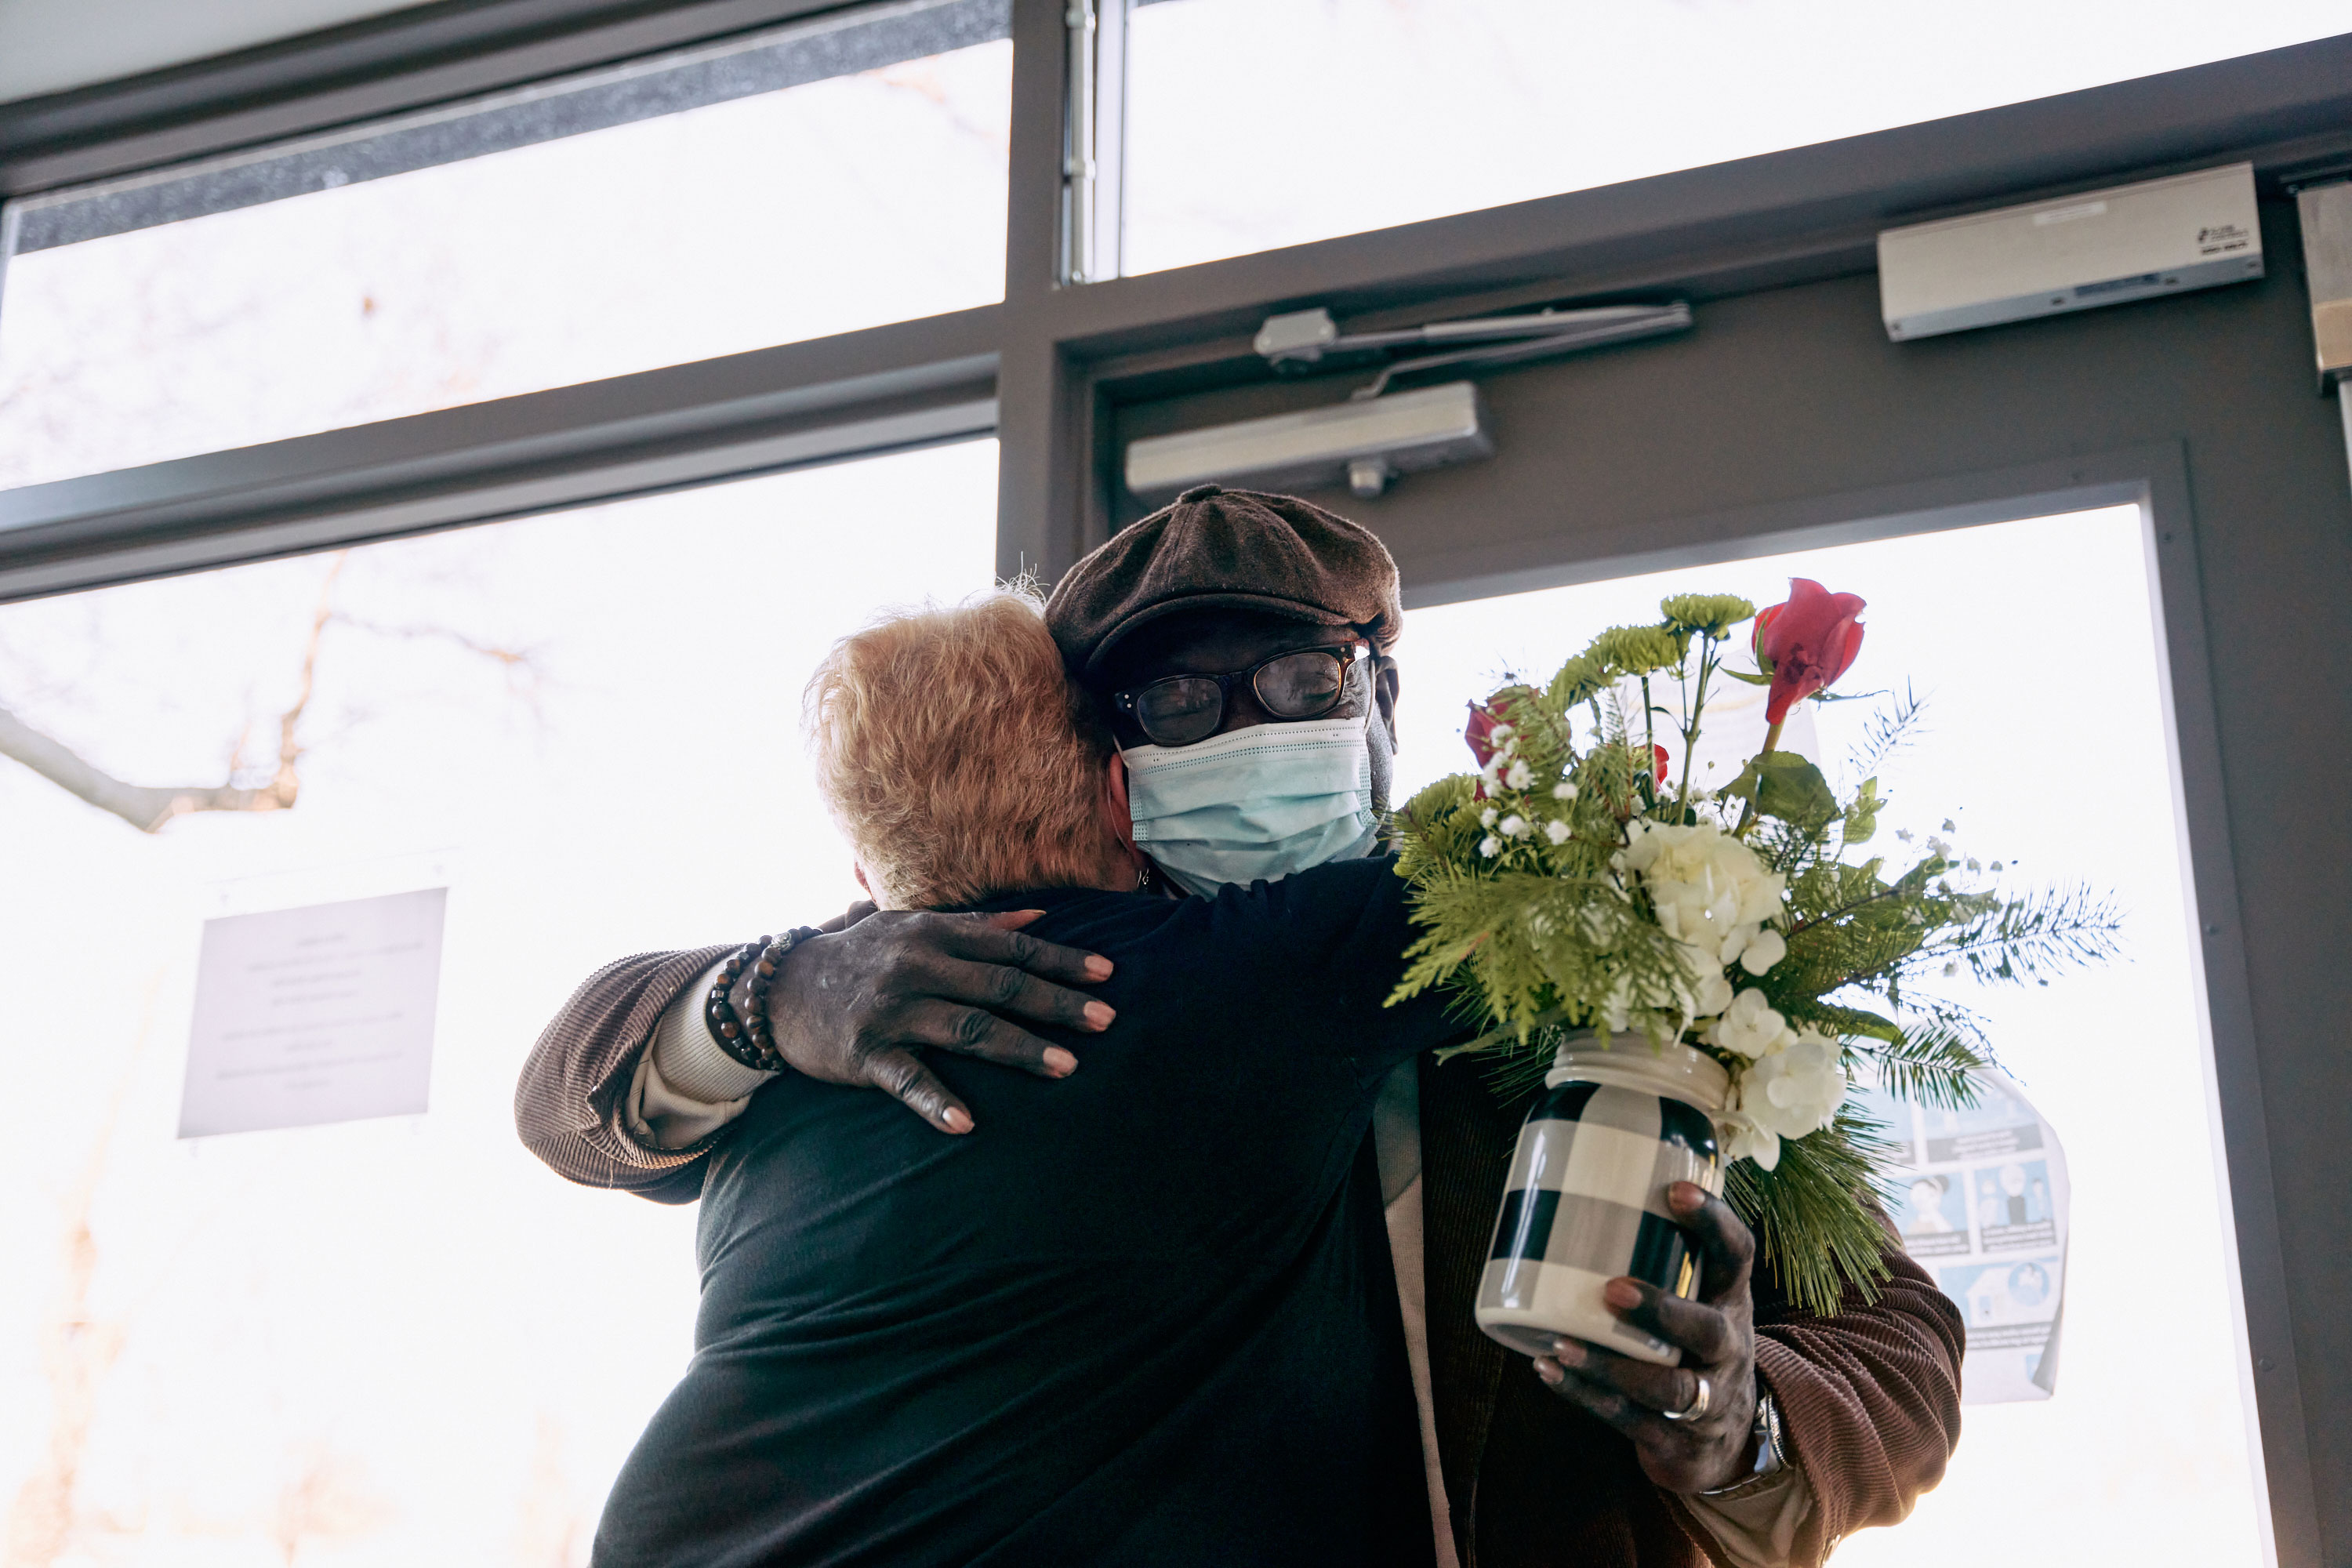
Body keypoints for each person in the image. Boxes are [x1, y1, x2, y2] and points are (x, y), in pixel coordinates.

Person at [517, 486, 1965, 1568]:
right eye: (1174, 702)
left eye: (1297, 685)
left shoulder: (1608, 970)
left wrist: (1738, 1426)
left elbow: (1901, 1340)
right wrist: (767, 994)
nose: (1243, 734)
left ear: (1382, 697)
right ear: (1106, 763)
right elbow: (570, 1092)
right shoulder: (966, 990)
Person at [590, 590, 1468, 1564]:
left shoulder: (783, 1069)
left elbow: (578, 1110)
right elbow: (1585, 875)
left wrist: (774, 989)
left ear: (868, 875)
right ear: (1118, 796)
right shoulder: (1260, 971)